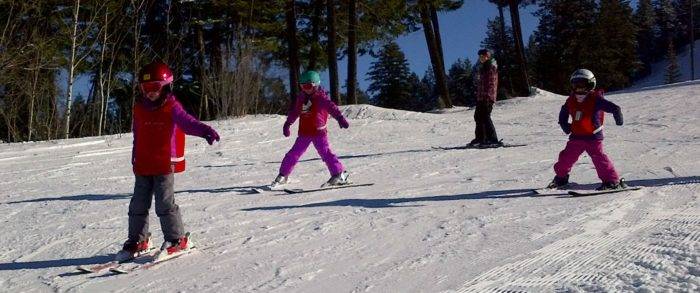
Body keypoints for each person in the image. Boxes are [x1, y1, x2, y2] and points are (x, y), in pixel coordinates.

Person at [116, 61, 220, 262]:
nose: (150, 93)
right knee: (137, 205)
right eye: (145, 88)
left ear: (166, 86)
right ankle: (139, 241)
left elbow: (187, 123)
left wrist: (204, 130)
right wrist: (134, 158)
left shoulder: (172, 106)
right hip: (143, 164)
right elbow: (137, 135)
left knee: (164, 203)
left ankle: (177, 239)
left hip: (163, 163)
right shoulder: (139, 108)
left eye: (155, 87)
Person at [547, 69, 626, 191]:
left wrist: (618, 116)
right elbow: (563, 112)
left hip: (593, 136)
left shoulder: (596, 98)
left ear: (590, 85)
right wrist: (564, 124)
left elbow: (613, 107)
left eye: (582, 86)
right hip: (576, 136)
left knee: (599, 158)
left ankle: (611, 181)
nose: (579, 89)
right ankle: (561, 178)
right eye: (575, 86)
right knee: (566, 158)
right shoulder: (571, 99)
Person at [271, 70, 350, 188]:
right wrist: (288, 123)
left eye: (308, 86)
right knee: (293, 154)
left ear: (315, 85)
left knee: (326, 153)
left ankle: (339, 174)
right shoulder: (301, 98)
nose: (305, 89)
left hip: (319, 132)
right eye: (302, 86)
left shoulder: (321, 97)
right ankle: (283, 175)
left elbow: (332, 107)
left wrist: (339, 118)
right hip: (304, 133)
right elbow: (295, 112)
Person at [470, 49, 501, 147]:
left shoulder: (490, 67)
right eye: (480, 57)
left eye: (483, 56)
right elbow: (481, 82)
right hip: (481, 97)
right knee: (478, 116)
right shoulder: (483, 67)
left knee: (485, 117)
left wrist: (487, 96)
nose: (481, 58)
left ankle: (492, 139)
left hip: (487, 97)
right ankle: (481, 138)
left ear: (488, 56)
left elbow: (491, 83)